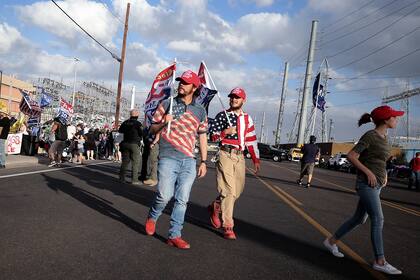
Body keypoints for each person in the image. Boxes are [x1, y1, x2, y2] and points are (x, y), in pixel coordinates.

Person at [323, 105, 404, 275]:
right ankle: (380, 261)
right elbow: (352, 156)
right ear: (386, 119)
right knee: (378, 219)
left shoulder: (384, 137)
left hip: (377, 184)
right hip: (366, 185)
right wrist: (368, 172)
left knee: (359, 219)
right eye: (395, 117)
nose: (397, 119)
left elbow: (379, 161)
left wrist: (385, 176)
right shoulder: (371, 136)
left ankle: (331, 241)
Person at [144, 70, 208, 249]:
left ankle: (174, 235)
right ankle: (153, 215)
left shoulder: (200, 111)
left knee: (182, 199)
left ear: (194, 87)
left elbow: (202, 136)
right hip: (168, 156)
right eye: (180, 82)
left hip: (189, 159)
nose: (181, 85)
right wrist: (164, 121)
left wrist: (203, 161)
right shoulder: (168, 103)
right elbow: (152, 129)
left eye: (186, 83)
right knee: (164, 195)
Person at [207, 87, 260, 240]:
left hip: (240, 157)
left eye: (237, 97)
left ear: (243, 100)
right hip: (225, 153)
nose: (233, 99)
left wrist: (256, 159)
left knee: (237, 190)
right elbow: (213, 135)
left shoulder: (247, 118)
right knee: (229, 191)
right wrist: (225, 133)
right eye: (232, 97)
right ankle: (228, 226)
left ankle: (216, 206)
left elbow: (251, 139)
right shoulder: (222, 115)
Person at [118, 109, 144, 185]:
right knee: (135, 162)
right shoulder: (138, 124)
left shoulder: (124, 122)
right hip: (134, 144)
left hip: (125, 143)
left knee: (125, 162)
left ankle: (121, 178)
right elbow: (142, 133)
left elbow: (120, 132)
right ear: (137, 115)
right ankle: (134, 180)